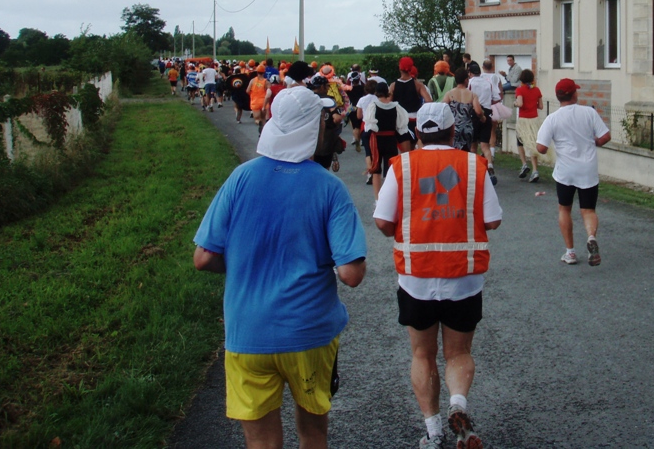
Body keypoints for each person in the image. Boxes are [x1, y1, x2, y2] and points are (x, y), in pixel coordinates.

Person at [193, 86, 367, 449]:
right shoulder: (329, 188)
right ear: (311, 128)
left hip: (248, 333)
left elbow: (204, 257)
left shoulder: (240, 178)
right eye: (321, 120)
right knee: (313, 434)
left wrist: (244, 262)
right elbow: (351, 274)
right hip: (309, 333)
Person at [373, 103, 502, 449]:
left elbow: (383, 222)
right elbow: (492, 220)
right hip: (464, 276)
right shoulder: (475, 165)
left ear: (418, 132)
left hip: (416, 277)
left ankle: (432, 431)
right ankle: (458, 404)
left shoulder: (401, 167)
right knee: (458, 353)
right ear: (453, 132)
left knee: (422, 355)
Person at [536, 78, 611, 266]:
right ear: (574, 94)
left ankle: (570, 252)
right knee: (588, 210)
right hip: (588, 169)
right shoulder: (588, 112)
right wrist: (594, 142)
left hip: (565, 171)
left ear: (558, 96)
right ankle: (591, 237)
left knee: (564, 208)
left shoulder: (552, 118)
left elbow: (541, 148)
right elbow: (605, 136)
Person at [364, 81, 410, 199]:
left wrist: (367, 152)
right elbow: (401, 128)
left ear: (376, 93)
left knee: (376, 172)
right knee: (390, 172)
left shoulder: (373, 106)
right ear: (387, 92)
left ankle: (378, 200)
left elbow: (369, 128)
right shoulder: (396, 107)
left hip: (377, 141)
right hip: (391, 140)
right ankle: (389, 199)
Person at [514, 69, 553, 183]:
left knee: (520, 142)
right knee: (533, 144)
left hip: (523, 120)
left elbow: (520, 103)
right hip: (534, 120)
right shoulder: (536, 90)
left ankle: (524, 164)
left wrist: (515, 103)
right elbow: (540, 106)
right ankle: (535, 170)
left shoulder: (519, 90)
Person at [466, 62, 496, 185]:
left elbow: (468, 96)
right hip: (488, 112)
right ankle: (489, 165)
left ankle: (473, 170)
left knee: (473, 145)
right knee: (485, 145)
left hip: (475, 112)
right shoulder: (488, 82)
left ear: (470, 73)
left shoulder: (471, 82)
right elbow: (495, 98)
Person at [390, 56, 433, 141]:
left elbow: (388, 103)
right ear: (411, 68)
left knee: (404, 151)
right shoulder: (418, 85)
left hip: (400, 121)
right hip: (415, 119)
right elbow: (429, 101)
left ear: (400, 68)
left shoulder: (393, 86)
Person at [443, 68, 485, 152]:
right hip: (467, 128)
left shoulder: (449, 94)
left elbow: (442, 109)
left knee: (452, 152)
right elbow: (478, 111)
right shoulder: (472, 95)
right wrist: (483, 118)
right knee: (465, 153)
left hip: (453, 128)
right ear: (466, 80)